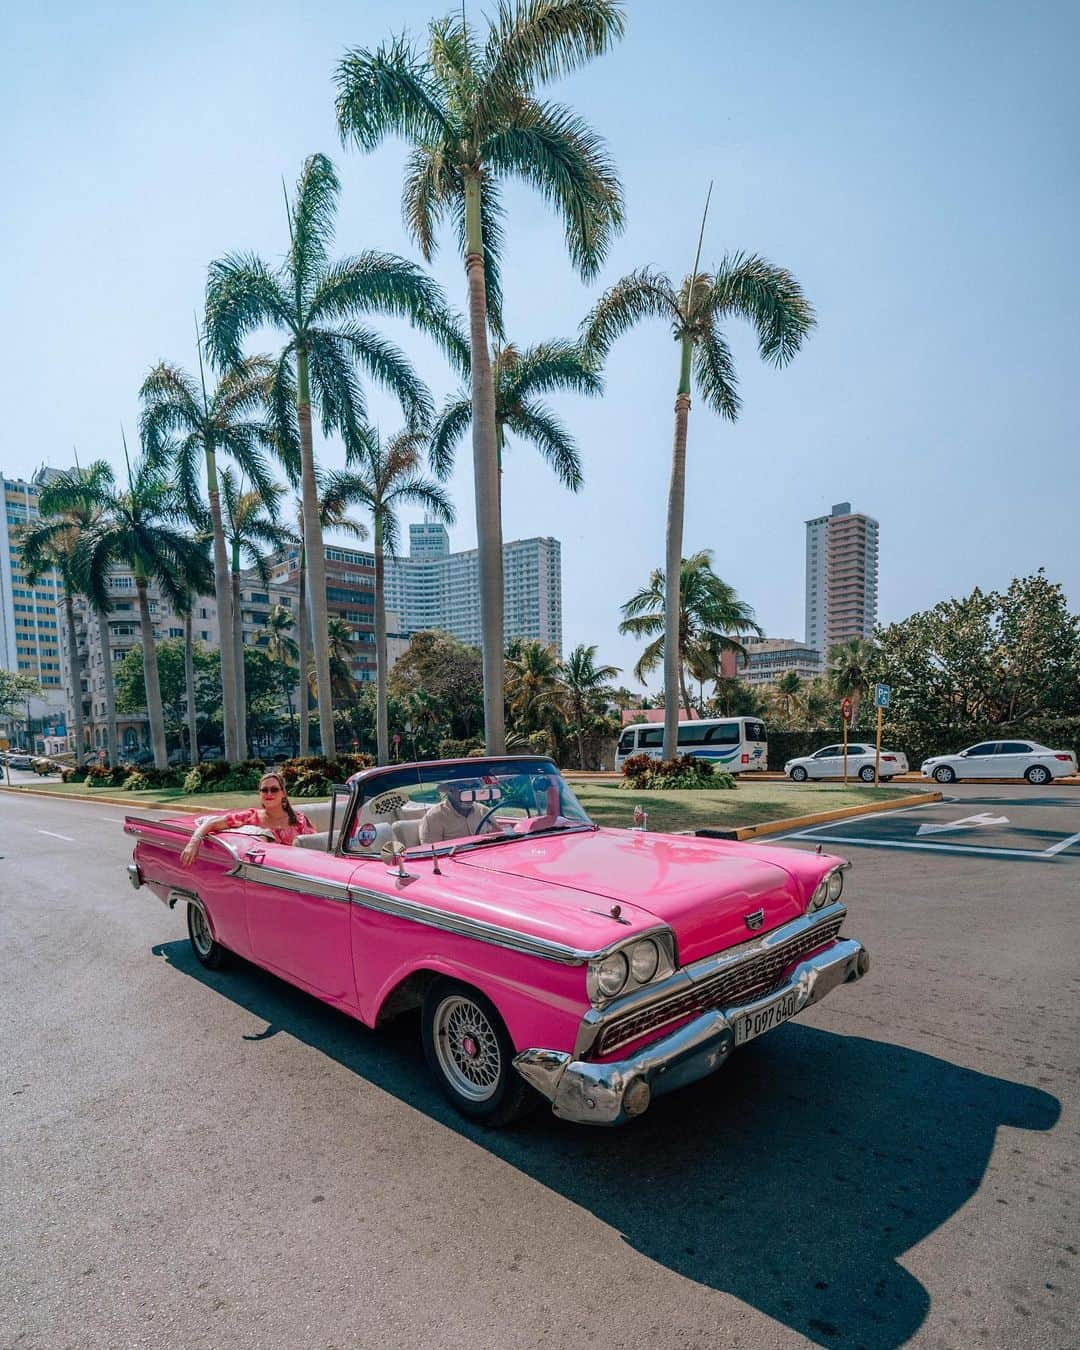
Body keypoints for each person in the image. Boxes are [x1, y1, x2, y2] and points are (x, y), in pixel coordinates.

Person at [180, 771, 315, 866]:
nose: (269, 793)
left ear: (283, 793)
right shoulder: (251, 817)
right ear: (260, 794)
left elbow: (314, 852)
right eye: (264, 790)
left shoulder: (299, 821)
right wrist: (194, 842)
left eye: (274, 789)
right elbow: (212, 823)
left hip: (299, 872)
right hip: (270, 874)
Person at [418, 780, 489, 844]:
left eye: (474, 786)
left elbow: (498, 841)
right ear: (449, 790)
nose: (469, 792)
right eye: (462, 787)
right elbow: (431, 853)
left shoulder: (484, 811)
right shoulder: (434, 817)